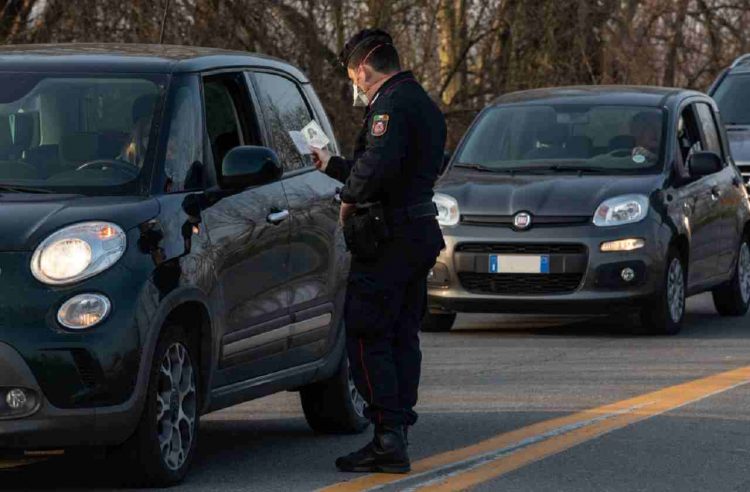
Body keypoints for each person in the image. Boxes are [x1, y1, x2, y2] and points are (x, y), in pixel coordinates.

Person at [311, 28, 446, 474]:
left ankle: (387, 437)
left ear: (363, 69)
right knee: (402, 333)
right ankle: (397, 430)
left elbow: (378, 169)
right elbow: (394, 170)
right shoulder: (421, 102)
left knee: (368, 333)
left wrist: (348, 197)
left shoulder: (389, 105)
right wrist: (335, 167)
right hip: (416, 231)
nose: (355, 84)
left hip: (390, 239)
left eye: (353, 76)